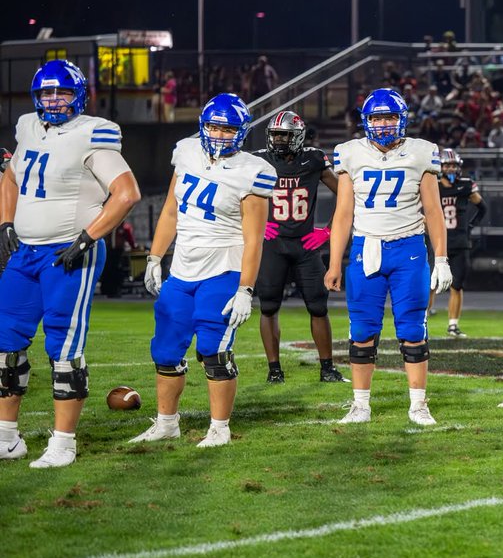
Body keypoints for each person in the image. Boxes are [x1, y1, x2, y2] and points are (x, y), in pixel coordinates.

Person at [0, 61, 140, 467]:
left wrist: (88, 237)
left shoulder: (92, 132)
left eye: (61, 92)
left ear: (78, 95)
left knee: (63, 346)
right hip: (25, 252)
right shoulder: (27, 127)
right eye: (46, 93)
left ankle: (63, 443)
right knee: (5, 344)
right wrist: (6, 223)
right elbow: (10, 178)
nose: (53, 100)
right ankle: (8, 437)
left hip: (68, 254)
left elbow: (126, 193)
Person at [130, 93, 269, 448]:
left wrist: (245, 289)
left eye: (228, 129)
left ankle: (219, 429)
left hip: (223, 269)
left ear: (241, 131)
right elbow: (172, 212)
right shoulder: (186, 153)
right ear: (202, 127)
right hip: (183, 269)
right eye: (213, 126)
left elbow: (254, 240)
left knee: (213, 349)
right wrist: (154, 257)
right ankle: (166, 423)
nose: (220, 134)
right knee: (165, 349)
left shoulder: (252, 171)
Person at [324, 88, 452, 425]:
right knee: (362, 328)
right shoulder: (349, 153)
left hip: (408, 248)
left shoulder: (422, 152)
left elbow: (434, 211)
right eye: (377, 117)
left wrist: (441, 258)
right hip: (366, 247)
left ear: (402, 119)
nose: (383, 124)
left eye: (390, 117)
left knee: (412, 328)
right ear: (366, 121)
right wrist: (335, 261)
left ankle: (419, 405)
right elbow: (342, 214)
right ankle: (360, 405)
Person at [251, 110, 344, 384]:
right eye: (276, 134)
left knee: (318, 306)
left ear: (299, 136)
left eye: (285, 135)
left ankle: (327, 368)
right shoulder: (258, 161)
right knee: (268, 306)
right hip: (272, 243)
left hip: (306, 245)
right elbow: (234, 195)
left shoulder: (313, 159)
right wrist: (255, 224)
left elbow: (347, 195)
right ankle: (274, 370)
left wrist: (326, 231)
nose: (279, 140)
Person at [431, 148, 486, 338]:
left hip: (459, 241)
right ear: (440, 167)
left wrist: (470, 226)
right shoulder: (432, 186)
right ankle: (423, 317)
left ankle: (453, 325)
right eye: (447, 165)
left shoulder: (465, 185)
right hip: (437, 241)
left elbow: (482, 207)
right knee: (429, 283)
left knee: (457, 285)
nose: (451, 169)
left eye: (454, 165)